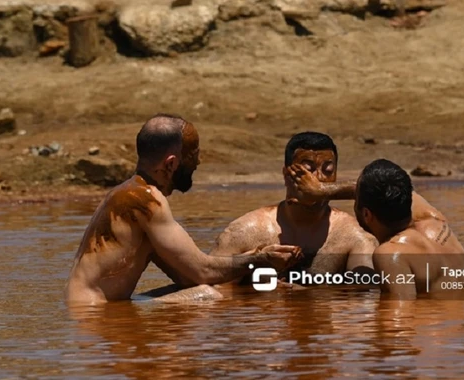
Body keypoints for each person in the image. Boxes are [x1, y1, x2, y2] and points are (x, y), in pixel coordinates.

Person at [64, 113, 302, 305]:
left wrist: (251, 278)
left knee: (208, 291)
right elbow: (203, 271)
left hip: (91, 313)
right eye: (193, 156)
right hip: (96, 316)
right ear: (171, 164)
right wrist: (260, 259)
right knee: (209, 296)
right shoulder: (146, 200)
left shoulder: (128, 192)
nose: (198, 163)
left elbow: (187, 277)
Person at [210, 132, 378, 286]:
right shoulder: (244, 232)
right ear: (285, 174)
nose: (317, 179)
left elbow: (367, 297)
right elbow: (212, 288)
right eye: (307, 170)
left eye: (328, 171)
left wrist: (310, 295)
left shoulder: (354, 236)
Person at [288, 158, 464, 297]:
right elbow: (386, 188)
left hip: (431, 333)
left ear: (367, 214)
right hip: (454, 333)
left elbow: (396, 330)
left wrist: (307, 292)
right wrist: (320, 191)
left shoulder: (391, 254)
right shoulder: (433, 218)